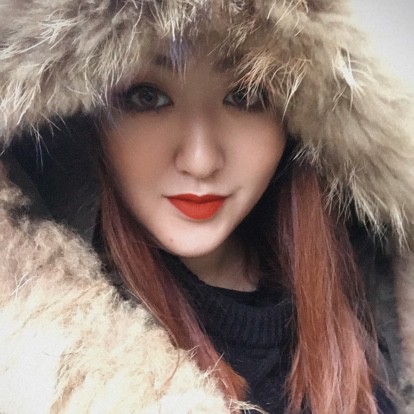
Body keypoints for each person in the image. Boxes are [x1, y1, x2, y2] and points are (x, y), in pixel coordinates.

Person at [0, 1, 413, 413]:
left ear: (303, 121)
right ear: (80, 115)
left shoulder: (370, 281)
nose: (200, 161)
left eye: (245, 95)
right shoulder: (35, 354)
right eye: (147, 97)